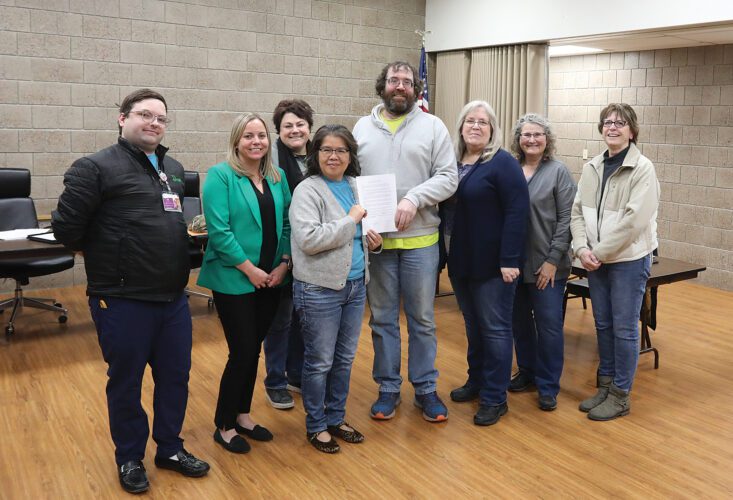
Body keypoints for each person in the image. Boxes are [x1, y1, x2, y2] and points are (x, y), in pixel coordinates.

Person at [52, 88, 210, 494]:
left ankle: (170, 449)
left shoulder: (172, 168)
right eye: (144, 114)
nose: (154, 122)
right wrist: (110, 253)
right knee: (126, 382)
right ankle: (129, 457)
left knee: (175, 378)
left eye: (161, 117)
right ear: (123, 118)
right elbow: (66, 229)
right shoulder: (94, 167)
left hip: (173, 297)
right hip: (122, 299)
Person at [353, 60, 457, 422]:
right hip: (377, 244)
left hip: (420, 243)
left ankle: (426, 388)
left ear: (416, 89)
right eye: (394, 80)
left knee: (422, 320)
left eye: (407, 81)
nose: (400, 86)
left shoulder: (433, 126)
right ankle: (388, 388)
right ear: (382, 85)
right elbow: (350, 179)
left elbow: (449, 177)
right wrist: (361, 221)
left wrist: (414, 198)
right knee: (382, 320)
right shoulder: (362, 128)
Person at [197, 113, 292, 453]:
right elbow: (219, 232)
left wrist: (284, 264)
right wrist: (250, 270)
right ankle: (224, 425)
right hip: (234, 277)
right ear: (236, 141)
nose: (256, 141)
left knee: (254, 349)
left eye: (261, 135)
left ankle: (243, 415)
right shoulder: (221, 176)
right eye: (249, 136)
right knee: (242, 351)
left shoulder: (277, 177)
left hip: (271, 277)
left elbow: (287, 223)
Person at [289, 124, 383, 453]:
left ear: (350, 155)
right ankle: (316, 425)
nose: (334, 156)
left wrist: (375, 242)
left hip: (355, 286)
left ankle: (335, 418)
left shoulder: (357, 186)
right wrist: (351, 220)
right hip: (318, 289)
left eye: (341, 150)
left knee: (344, 360)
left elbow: (360, 235)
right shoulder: (307, 190)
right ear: (315, 154)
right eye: (327, 149)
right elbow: (310, 240)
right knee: (319, 362)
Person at [571, 103, 660, 421]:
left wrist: (598, 253)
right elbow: (577, 211)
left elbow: (633, 222)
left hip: (627, 261)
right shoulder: (593, 167)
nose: (612, 127)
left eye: (620, 123)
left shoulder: (643, 168)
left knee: (623, 329)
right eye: (607, 122)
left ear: (632, 131)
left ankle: (621, 395)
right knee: (603, 324)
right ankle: (606, 386)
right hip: (596, 260)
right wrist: (581, 248)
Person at [447, 100, 529, 427]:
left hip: (495, 265)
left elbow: (517, 213)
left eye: (483, 122)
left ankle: (495, 397)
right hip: (462, 260)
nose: (476, 126)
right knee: (473, 326)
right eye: (470, 121)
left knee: (495, 330)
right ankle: (477, 380)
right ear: (461, 127)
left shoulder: (503, 163)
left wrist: (510, 259)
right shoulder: (454, 162)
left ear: (492, 129)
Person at [507, 113, 577, 411]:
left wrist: (552, 261)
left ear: (547, 139)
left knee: (548, 326)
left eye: (538, 134)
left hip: (547, 266)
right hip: (514, 264)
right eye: (526, 134)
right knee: (520, 323)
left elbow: (566, 220)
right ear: (518, 140)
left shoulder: (558, 172)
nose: (532, 139)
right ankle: (527, 372)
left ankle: (548, 385)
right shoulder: (510, 170)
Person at [262, 99, 314, 410]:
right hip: (282, 250)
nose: (295, 130)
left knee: (303, 320)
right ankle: (275, 381)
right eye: (287, 126)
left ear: (309, 127)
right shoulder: (270, 162)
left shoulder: (321, 156)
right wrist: (285, 256)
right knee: (280, 321)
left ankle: (296, 374)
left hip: (313, 251)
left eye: (300, 124)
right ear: (278, 131)